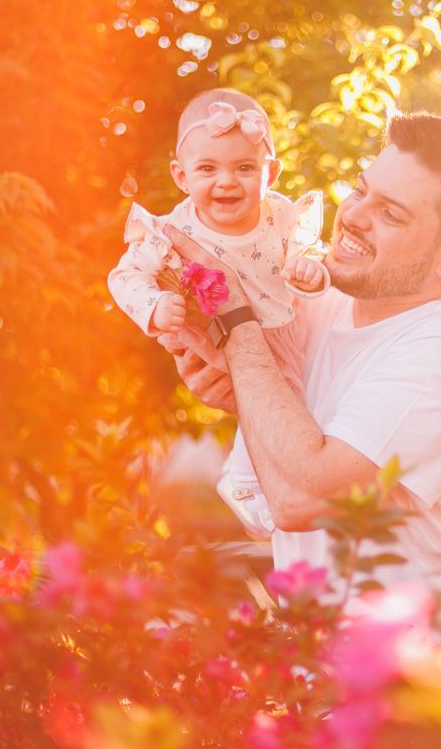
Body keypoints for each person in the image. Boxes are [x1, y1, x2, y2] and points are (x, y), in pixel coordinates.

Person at [161, 112, 441, 606]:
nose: (351, 215)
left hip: (418, 669)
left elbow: (299, 500)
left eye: (391, 214)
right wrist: (243, 389)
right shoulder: (317, 299)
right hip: (315, 657)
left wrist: (236, 327)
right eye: (359, 189)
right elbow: (274, 479)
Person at [108, 88, 329, 536]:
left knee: (285, 407)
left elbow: (311, 254)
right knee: (270, 405)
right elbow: (123, 276)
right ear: (182, 176)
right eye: (207, 169)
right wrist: (154, 307)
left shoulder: (282, 216)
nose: (226, 182)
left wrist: (312, 273)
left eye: (245, 168)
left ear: (271, 173)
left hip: (280, 332)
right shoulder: (172, 231)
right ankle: (252, 485)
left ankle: (250, 480)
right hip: (211, 337)